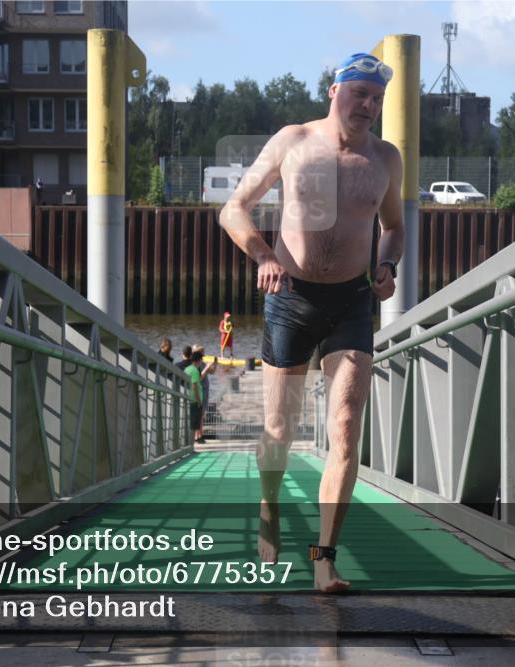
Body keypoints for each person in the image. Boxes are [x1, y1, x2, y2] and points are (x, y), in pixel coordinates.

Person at [220, 52, 403, 592]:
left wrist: (387, 265)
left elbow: (392, 227)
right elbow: (234, 208)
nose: (368, 106)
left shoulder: (386, 159)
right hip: (290, 297)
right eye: (359, 94)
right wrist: (263, 257)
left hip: (351, 301)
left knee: (345, 427)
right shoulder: (294, 141)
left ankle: (325, 558)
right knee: (279, 429)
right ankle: (269, 505)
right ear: (333, 91)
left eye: (377, 99)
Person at [184, 350, 206, 443]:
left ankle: (190, 442)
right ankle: (191, 443)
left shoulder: (187, 369)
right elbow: (195, 386)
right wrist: (199, 401)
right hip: (194, 400)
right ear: (198, 360)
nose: (201, 362)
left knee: (191, 422)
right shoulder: (195, 371)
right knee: (195, 423)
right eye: (201, 360)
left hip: (189, 398)